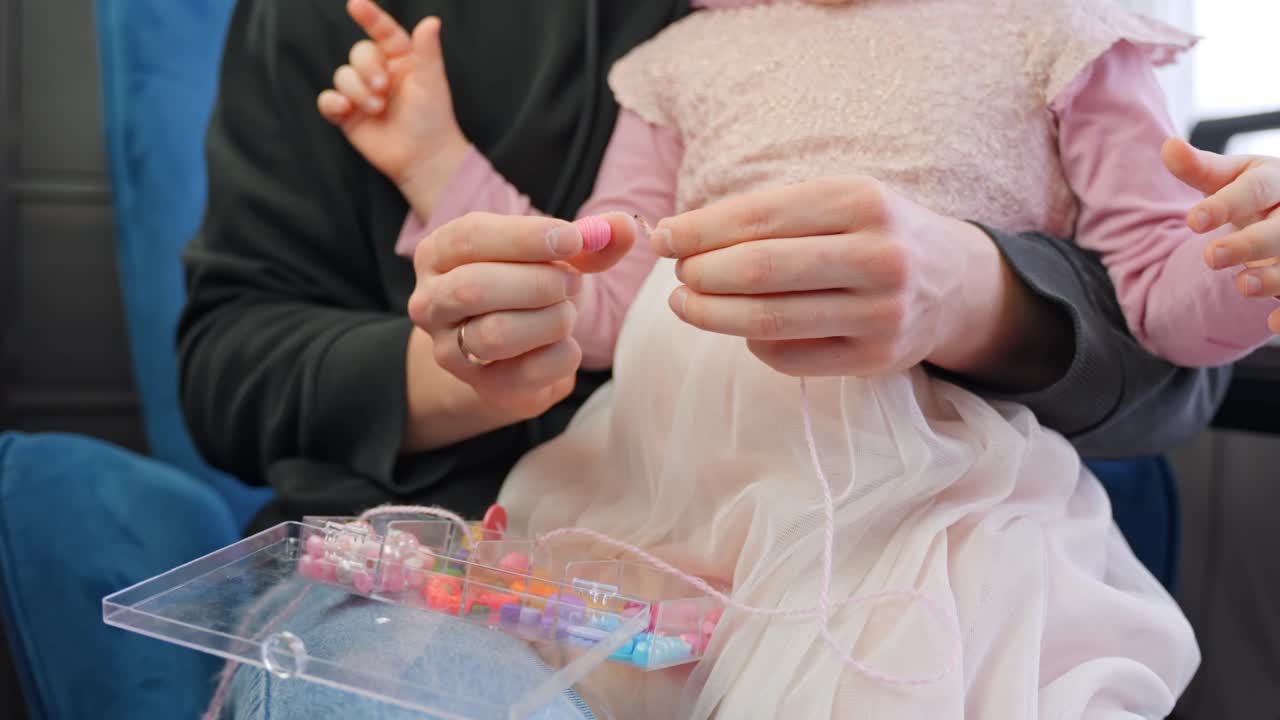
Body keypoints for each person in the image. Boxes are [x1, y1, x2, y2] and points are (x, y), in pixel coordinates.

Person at [180, 0, 1228, 716]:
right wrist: (460, 298)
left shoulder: (1055, 36)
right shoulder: (691, 57)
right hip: (524, 545)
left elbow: (1172, 338)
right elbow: (234, 362)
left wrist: (982, 295)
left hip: (910, 522)